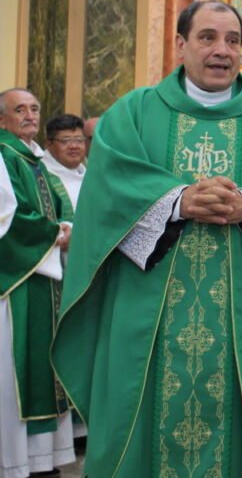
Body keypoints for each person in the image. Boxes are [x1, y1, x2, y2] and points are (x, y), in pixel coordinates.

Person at [51, 0, 242, 477]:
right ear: (181, 45)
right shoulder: (133, 114)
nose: (221, 50)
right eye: (207, 37)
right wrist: (176, 202)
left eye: (232, 40)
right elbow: (106, 192)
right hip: (149, 322)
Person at [0, 88, 75, 477]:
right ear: (2, 120)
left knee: (41, 364)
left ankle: (39, 460)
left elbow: (60, 206)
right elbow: (7, 220)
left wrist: (66, 228)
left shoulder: (34, 159)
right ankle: (13, 462)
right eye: (20, 110)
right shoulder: (2, 155)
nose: (30, 115)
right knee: (14, 369)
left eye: (34, 109)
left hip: (44, 280)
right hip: (16, 285)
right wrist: (56, 235)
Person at [42, 114, 87, 211]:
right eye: (65, 140)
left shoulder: (90, 174)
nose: (74, 146)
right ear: (48, 144)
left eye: (79, 140)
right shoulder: (40, 175)